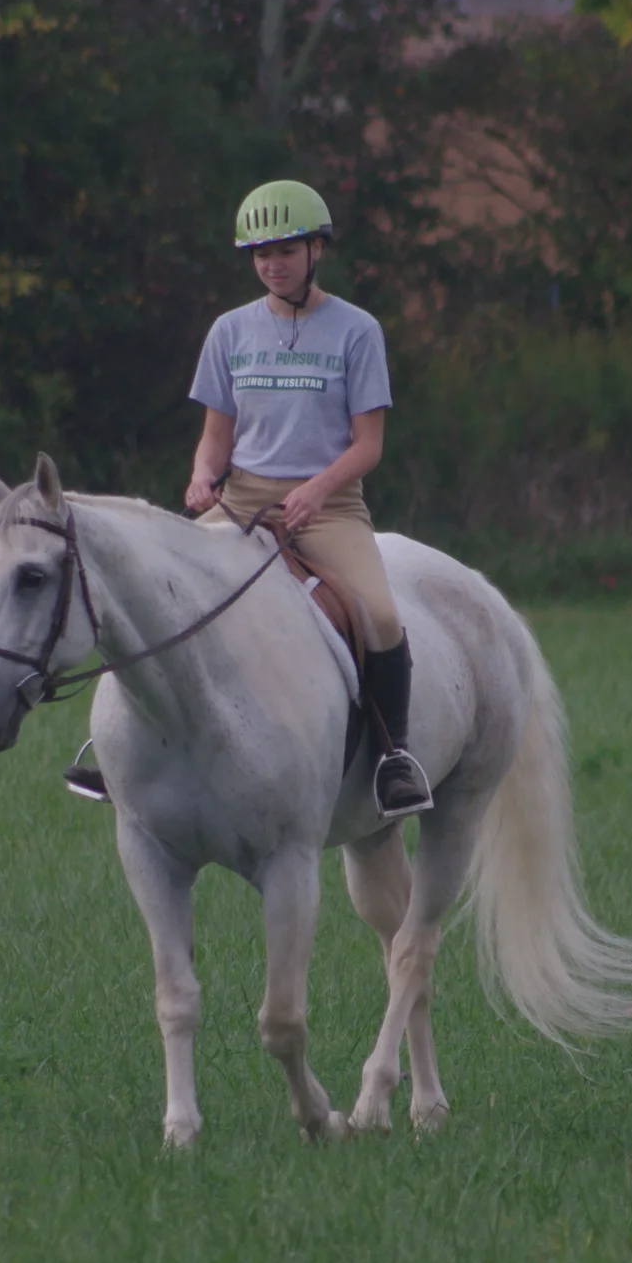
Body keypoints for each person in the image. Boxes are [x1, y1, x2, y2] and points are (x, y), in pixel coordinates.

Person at [182, 179, 433, 819]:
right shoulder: (229, 331)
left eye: (286, 250)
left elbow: (368, 443)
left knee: (378, 613)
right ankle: (128, 745)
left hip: (330, 506)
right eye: (261, 254)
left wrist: (316, 490)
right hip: (241, 502)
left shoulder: (357, 330)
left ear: (317, 248)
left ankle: (394, 757)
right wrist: (201, 477)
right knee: (165, 589)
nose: (272, 263)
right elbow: (216, 437)